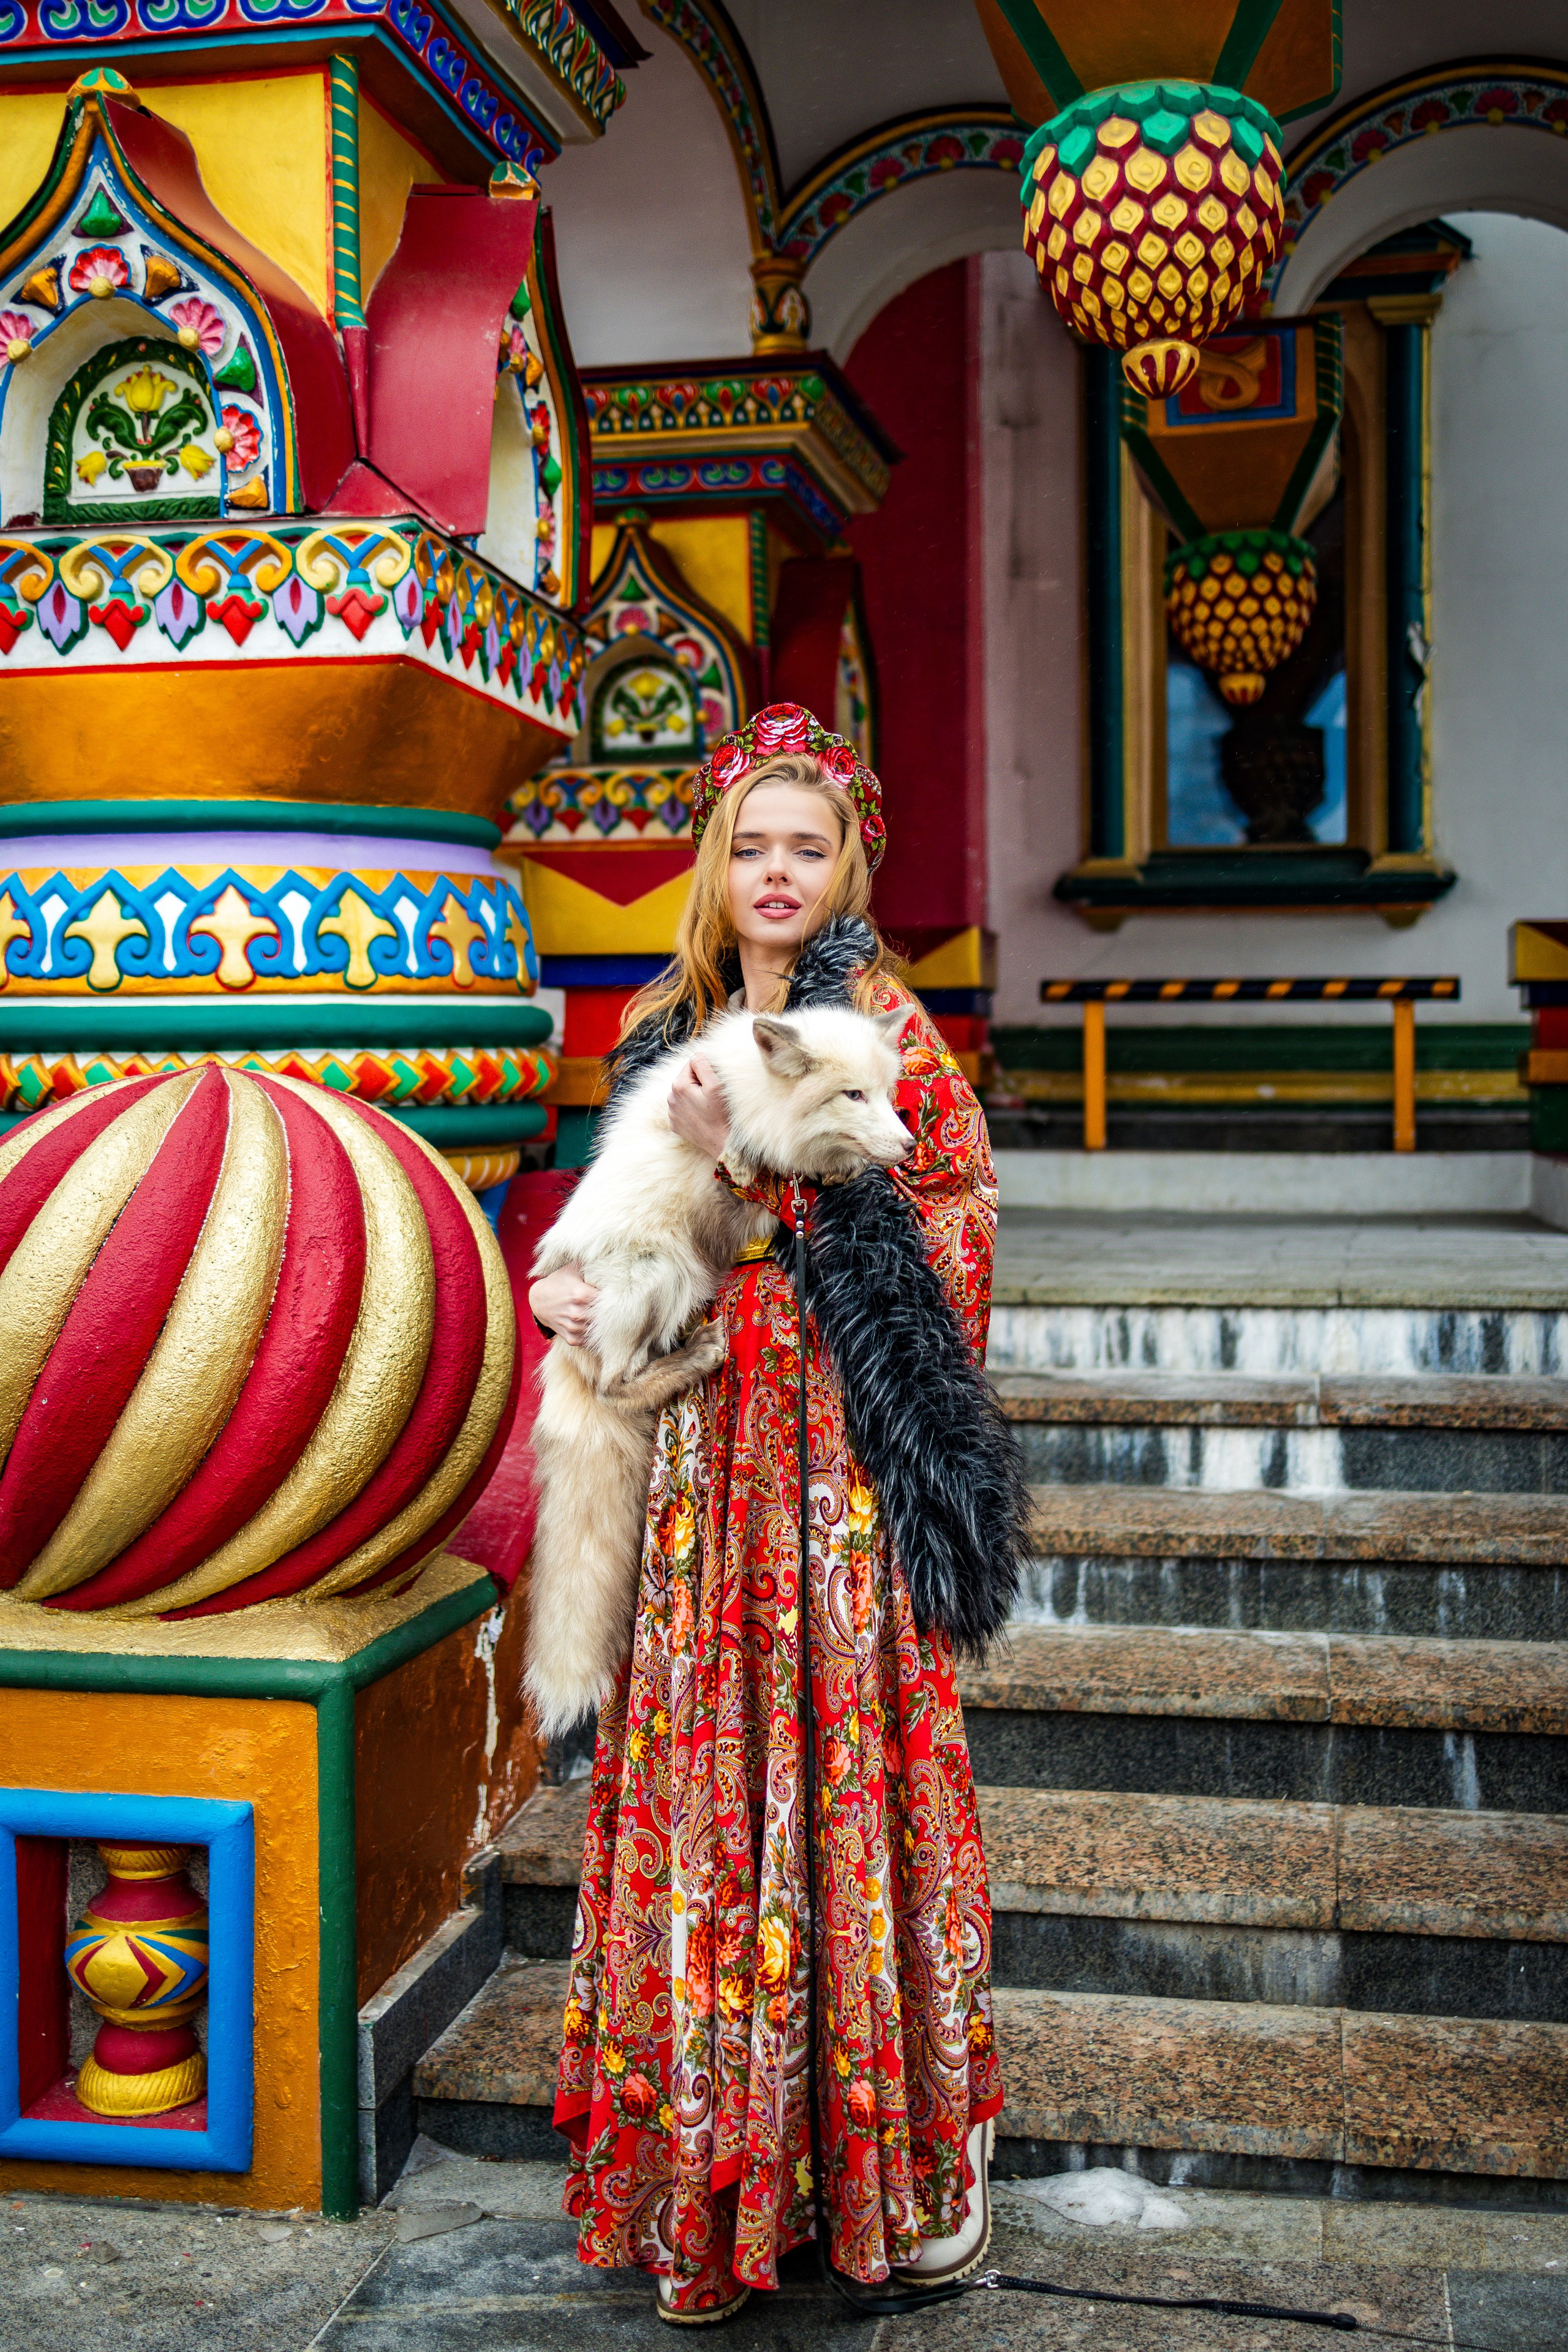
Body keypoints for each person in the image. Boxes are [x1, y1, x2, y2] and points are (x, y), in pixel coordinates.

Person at [529, 702, 1010, 2326]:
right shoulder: (662, 1031)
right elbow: (602, 1240)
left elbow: (958, 1222)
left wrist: (797, 1234)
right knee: (702, 1777)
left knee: (840, 1778)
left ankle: (893, 2177)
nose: (780, 871)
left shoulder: (882, 1029)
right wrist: (590, 1312)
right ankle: (719, 2183)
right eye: (755, 845)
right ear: (718, 868)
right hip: (689, 1487)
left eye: (810, 846)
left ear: (846, 862)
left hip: (832, 1480)